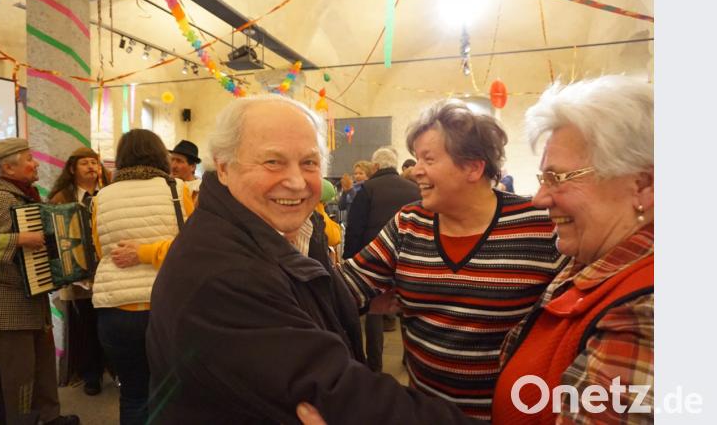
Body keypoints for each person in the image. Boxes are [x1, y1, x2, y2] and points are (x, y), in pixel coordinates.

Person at [146, 94, 483, 424]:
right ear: (223, 167)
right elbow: (336, 391)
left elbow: (304, 299)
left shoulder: (292, 229)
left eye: (309, 163)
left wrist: (361, 301)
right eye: (272, 161)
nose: (295, 182)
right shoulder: (223, 271)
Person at [336, 99, 568, 420]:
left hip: (508, 415)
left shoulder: (540, 225)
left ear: (473, 167)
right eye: (417, 158)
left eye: (428, 159)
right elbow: (345, 287)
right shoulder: (410, 222)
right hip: (426, 413)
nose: (416, 170)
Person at [491, 75, 654, 423]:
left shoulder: (646, 315)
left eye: (558, 178)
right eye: (542, 179)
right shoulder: (590, 260)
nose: (540, 198)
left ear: (643, 185)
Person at [0, 137, 79, 425]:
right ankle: (23, 421)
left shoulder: (25, 196)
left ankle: (50, 417)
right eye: (29, 160)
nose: (36, 165)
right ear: (8, 167)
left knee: (42, 367)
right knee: (15, 376)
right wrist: (19, 239)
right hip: (4, 306)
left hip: (30, 298)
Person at [91, 129, 183, 425]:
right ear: (161, 155)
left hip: (116, 310)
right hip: (169, 307)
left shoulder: (101, 197)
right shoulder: (178, 191)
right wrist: (150, 251)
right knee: (173, 393)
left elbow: (98, 248)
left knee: (132, 393)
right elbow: (195, 246)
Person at [343, 146, 420, 372]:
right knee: (408, 309)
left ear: (375, 166)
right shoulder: (413, 189)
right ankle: (410, 357)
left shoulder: (367, 188)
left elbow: (354, 228)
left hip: (375, 259)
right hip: (409, 258)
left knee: (374, 312)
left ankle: (375, 362)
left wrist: (351, 258)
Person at [47, 147, 110, 395]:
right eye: (85, 163)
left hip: (106, 272)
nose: (91, 167)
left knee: (107, 324)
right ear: (72, 169)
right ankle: (91, 375)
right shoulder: (61, 198)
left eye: (95, 162)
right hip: (77, 275)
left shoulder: (109, 194)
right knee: (84, 326)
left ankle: (113, 370)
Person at [168, 139, 201, 209]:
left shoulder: (201, 192)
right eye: (172, 160)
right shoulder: (165, 185)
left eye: (179, 161)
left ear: (192, 167)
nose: (173, 166)